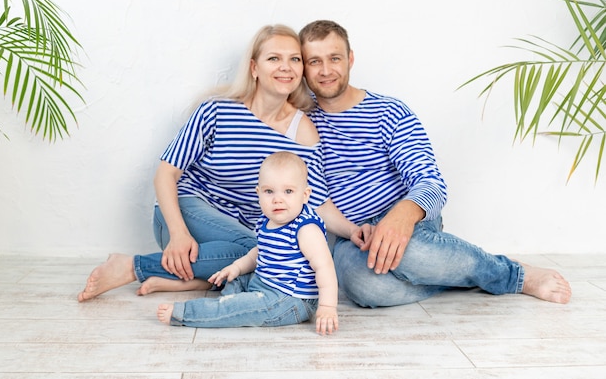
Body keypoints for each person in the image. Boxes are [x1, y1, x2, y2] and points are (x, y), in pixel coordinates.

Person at [78, 24, 365, 302]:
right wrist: (178, 234)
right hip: (184, 215)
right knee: (262, 248)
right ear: (254, 68)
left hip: (233, 241)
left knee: (266, 250)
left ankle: (194, 282)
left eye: (294, 59)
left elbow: (316, 199)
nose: (285, 67)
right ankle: (131, 266)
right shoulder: (216, 110)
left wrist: (353, 231)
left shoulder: (303, 130)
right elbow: (165, 175)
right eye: (274, 58)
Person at [298, 19, 572, 307]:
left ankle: (512, 274)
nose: (326, 70)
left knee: (413, 254)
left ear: (350, 59)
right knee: (364, 287)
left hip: (410, 222)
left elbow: (431, 183)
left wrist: (401, 216)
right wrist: (353, 231)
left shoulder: (390, 112)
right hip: (351, 236)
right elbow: (315, 195)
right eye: (314, 61)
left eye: (335, 58)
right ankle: (465, 270)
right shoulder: (303, 124)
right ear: (303, 67)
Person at [157, 151, 338, 335]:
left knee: (236, 308)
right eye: (269, 191)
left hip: (289, 300)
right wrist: (235, 267)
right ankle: (226, 300)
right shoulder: (267, 220)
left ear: (305, 195)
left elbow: (325, 267)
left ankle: (186, 313)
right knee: (234, 278)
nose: (277, 199)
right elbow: (258, 252)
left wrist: (327, 306)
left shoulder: (305, 229)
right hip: (263, 283)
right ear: (258, 193)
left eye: (288, 191)